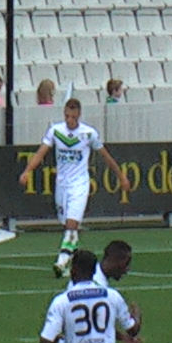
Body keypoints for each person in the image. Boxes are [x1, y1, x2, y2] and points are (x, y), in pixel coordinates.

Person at [19, 98, 122, 277]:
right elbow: (41, 153)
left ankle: (61, 262)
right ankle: (74, 263)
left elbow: (106, 156)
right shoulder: (56, 131)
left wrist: (121, 176)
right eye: (67, 116)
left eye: (73, 117)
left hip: (80, 184)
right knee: (67, 226)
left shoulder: (88, 134)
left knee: (71, 225)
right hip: (62, 185)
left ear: (79, 115)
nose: (69, 120)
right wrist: (27, 171)